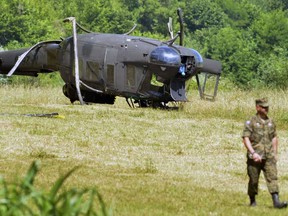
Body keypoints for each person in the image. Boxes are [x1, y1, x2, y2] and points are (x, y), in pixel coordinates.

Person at [242, 98, 287, 208]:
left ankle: (276, 202)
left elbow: (274, 137)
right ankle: (252, 201)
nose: (266, 109)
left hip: (269, 155)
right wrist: (253, 153)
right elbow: (246, 138)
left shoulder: (271, 122)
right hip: (255, 156)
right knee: (253, 180)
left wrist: (275, 153)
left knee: (273, 177)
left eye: (267, 107)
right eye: (263, 107)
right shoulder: (251, 121)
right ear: (257, 107)